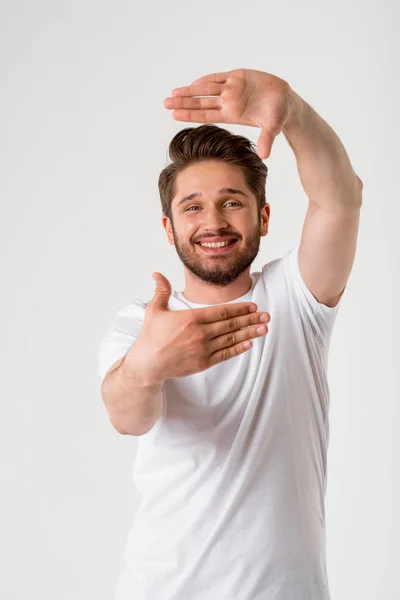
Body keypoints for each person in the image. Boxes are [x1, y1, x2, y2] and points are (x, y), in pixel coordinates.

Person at [98, 68, 363, 600]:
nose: (213, 221)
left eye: (232, 202)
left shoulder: (296, 298)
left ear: (264, 217)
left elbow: (341, 200)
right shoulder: (140, 323)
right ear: (169, 227)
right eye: (192, 206)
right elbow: (127, 417)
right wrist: (149, 365)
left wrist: (293, 113)